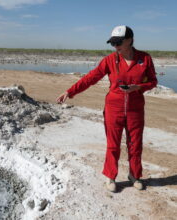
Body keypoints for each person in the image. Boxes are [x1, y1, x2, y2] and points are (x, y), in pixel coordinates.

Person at [56, 25, 157, 192]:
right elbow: (91, 78)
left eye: (118, 42)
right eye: (113, 43)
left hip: (135, 109)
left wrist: (138, 87)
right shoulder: (110, 60)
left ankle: (134, 175)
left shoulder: (144, 58)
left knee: (135, 144)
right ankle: (111, 177)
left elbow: (153, 81)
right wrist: (70, 91)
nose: (115, 46)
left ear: (130, 40)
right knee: (113, 144)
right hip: (114, 108)